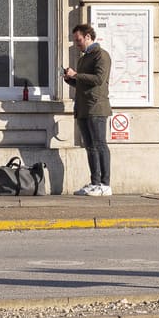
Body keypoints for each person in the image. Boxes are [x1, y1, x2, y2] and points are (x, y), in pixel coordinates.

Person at [63, 23, 112, 196]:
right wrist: (70, 80)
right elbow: (83, 82)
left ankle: (105, 184)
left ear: (88, 37)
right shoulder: (83, 58)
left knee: (100, 145)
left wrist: (75, 74)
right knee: (90, 146)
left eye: (79, 40)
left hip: (97, 107)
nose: (77, 44)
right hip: (83, 108)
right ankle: (95, 182)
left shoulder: (101, 55)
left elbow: (98, 79)